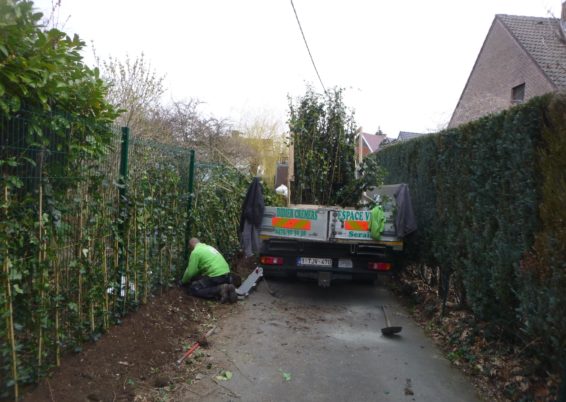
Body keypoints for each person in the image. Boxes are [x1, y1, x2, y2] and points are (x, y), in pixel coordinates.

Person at [181, 238, 237, 303]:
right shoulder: (209, 247)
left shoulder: (195, 252)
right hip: (226, 274)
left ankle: (220, 289)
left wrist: (183, 281)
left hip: (216, 276)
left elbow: (190, 273)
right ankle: (226, 288)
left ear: (191, 245)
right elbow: (202, 267)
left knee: (193, 289)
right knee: (206, 280)